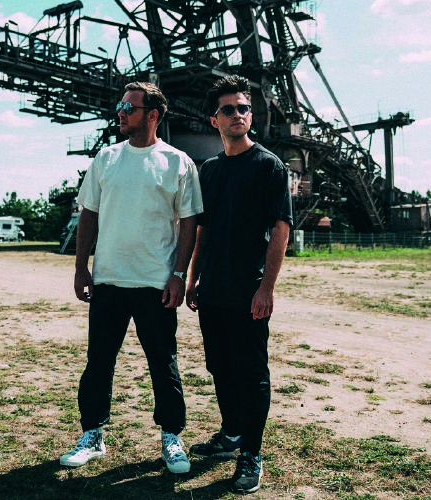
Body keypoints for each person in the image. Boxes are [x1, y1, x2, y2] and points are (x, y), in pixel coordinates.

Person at [60, 81, 203, 474]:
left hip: (156, 283)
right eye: (120, 106)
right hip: (108, 280)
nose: (120, 112)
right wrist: (81, 266)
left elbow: (189, 224)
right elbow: (89, 214)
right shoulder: (106, 158)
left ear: (152, 115)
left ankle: (171, 437)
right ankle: (92, 435)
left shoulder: (178, 162)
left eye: (129, 107)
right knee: (98, 361)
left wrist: (179, 274)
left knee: (163, 362)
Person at [186, 75, 293, 494]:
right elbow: (203, 230)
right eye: (228, 109)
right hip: (213, 288)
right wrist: (193, 277)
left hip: (249, 289)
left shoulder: (269, 165)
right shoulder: (210, 170)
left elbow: (281, 229)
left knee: (251, 372)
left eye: (244, 108)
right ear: (214, 120)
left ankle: (251, 452)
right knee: (219, 366)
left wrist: (266, 288)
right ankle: (230, 434)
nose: (238, 114)